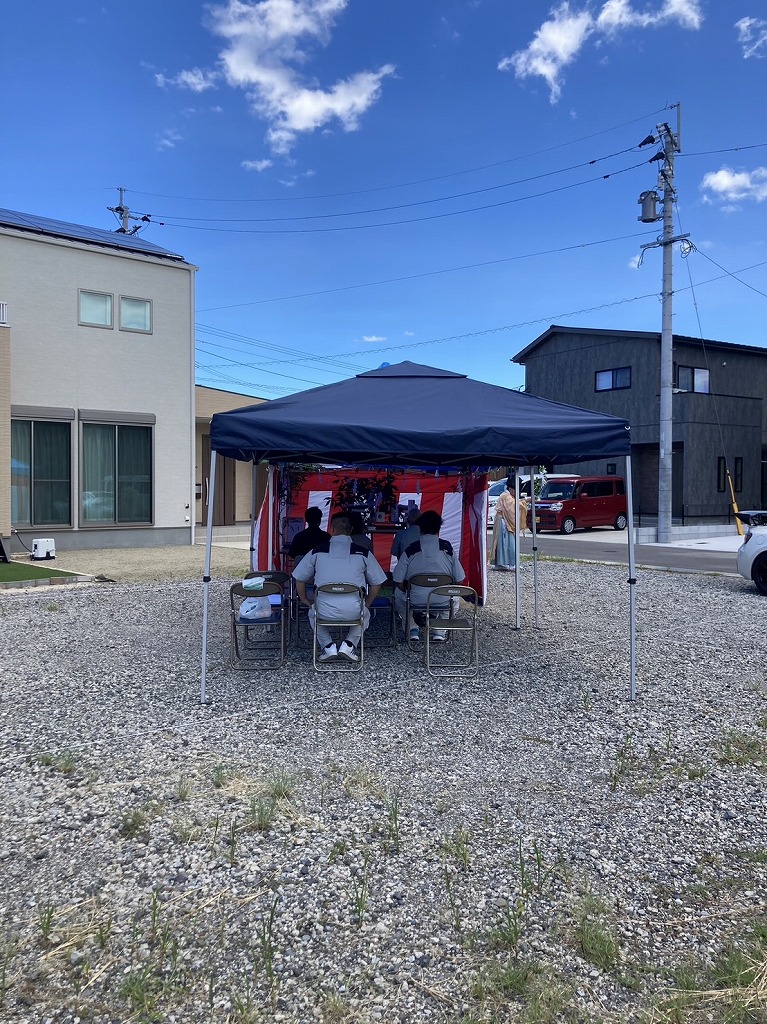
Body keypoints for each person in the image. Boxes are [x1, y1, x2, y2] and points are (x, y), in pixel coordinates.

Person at [292, 513, 387, 662]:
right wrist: (366, 604)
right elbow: (377, 582)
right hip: (354, 611)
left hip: (323, 611)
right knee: (365, 614)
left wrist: (304, 599)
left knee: (313, 613)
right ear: (351, 530)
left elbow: (299, 578)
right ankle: (348, 646)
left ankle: (328, 647)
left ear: (332, 528)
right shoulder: (363, 553)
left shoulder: (317, 551)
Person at [392, 509, 465, 642]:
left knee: (398, 594)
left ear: (420, 528)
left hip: (415, 598)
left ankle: (412, 630)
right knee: (454, 598)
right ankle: (439, 632)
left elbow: (398, 580)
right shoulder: (447, 548)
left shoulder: (411, 549)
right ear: (439, 528)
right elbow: (459, 579)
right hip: (442, 598)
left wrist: (408, 590)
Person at [489, 477, 526, 571]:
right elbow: (513, 506)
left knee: (504, 543)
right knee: (508, 543)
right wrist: (524, 503)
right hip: (503, 521)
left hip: (503, 520)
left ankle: (501, 563)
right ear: (511, 488)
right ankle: (512, 563)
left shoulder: (507, 496)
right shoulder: (506, 496)